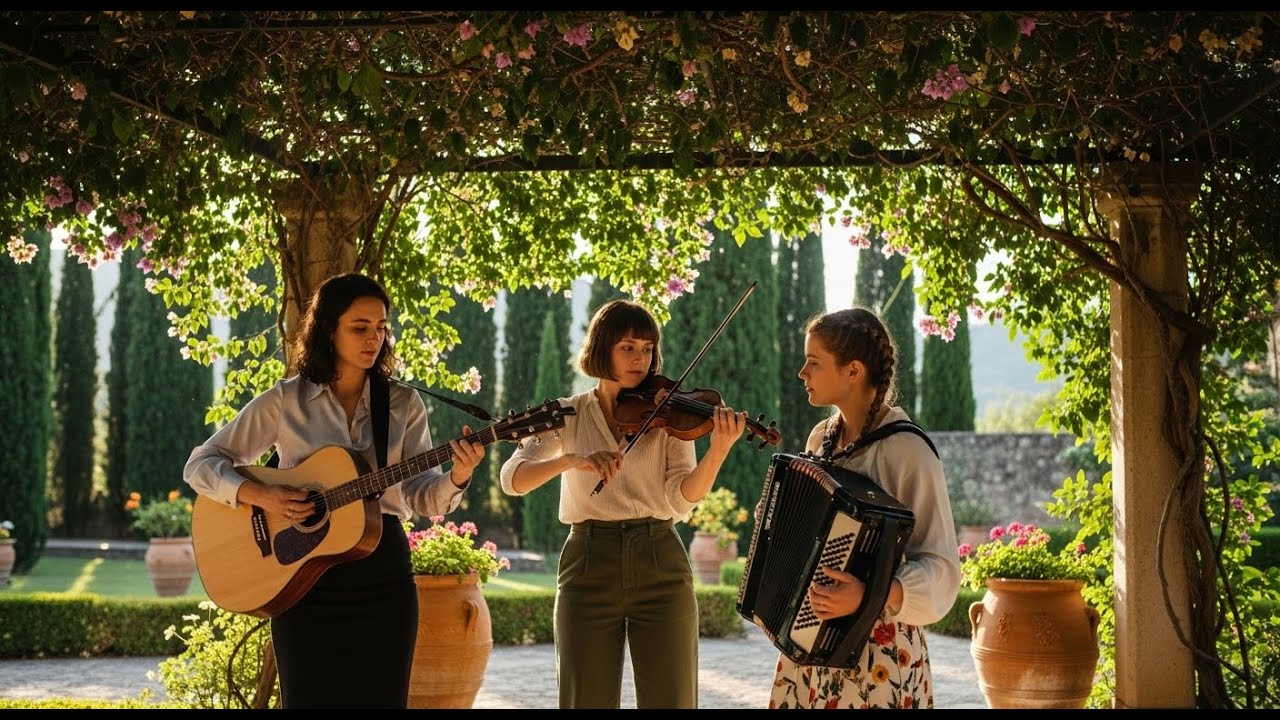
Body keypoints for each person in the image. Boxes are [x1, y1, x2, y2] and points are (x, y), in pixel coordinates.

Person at [183, 272, 486, 709]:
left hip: (382, 575)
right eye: (359, 327)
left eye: (381, 327)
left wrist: (457, 476)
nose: (374, 339)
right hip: (301, 578)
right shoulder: (286, 400)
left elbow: (420, 494)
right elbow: (202, 463)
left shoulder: (402, 403)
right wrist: (262, 496)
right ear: (328, 330)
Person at [499, 298, 748, 709]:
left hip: (660, 560)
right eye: (628, 347)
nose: (640, 359)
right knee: (585, 700)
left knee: (673, 700)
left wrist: (718, 451)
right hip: (587, 561)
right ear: (602, 349)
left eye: (647, 348)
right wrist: (572, 461)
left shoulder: (668, 413)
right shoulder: (569, 413)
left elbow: (679, 499)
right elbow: (513, 479)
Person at [767, 307, 961, 709]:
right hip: (809, 642)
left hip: (880, 654)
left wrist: (870, 595)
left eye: (814, 363)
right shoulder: (821, 437)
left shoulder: (908, 450)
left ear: (852, 371)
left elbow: (942, 567)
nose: (802, 373)